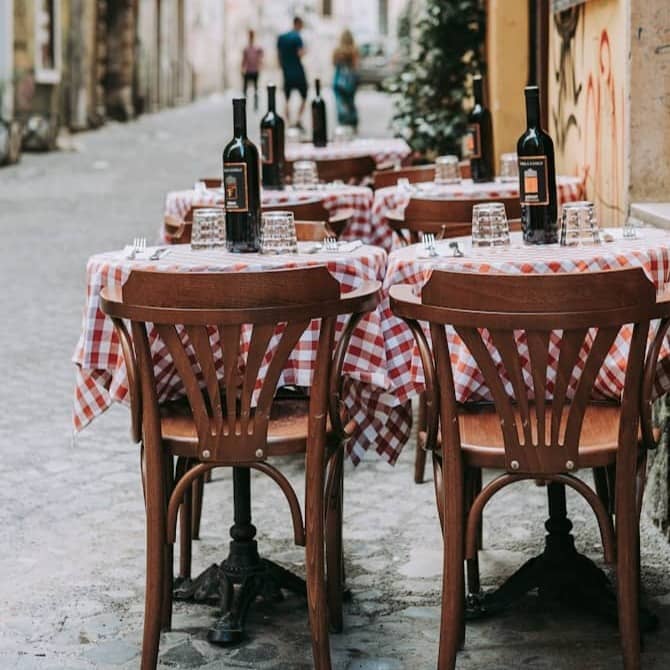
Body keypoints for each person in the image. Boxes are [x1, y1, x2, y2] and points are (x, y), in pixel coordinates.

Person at [277, 16, 308, 128]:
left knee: (286, 98)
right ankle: (298, 120)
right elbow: (300, 53)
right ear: (298, 24)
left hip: (287, 72)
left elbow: (279, 57)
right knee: (304, 96)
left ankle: (289, 123)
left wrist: (283, 67)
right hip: (298, 71)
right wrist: (306, 51)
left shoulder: (281, 37)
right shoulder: (297, 37)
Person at [332, 29, 359, 130]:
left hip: (338, 80)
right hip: (350, 81)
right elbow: (356, 65)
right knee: (350, 101)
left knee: (340, 102)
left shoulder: (337, 50)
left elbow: (334, 63)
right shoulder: (354, 50)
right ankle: (352, 123)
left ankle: (343, 123)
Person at [242, 30, 263, 111]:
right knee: (245, 89)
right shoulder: (246, 48)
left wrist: (259, 66)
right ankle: (243, 104)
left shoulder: (257, 48)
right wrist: (242, 68)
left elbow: (261, 58)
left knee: (255, 89)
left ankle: (256, 105)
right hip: (248, 70)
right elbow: (243, 60)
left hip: (255, 71)